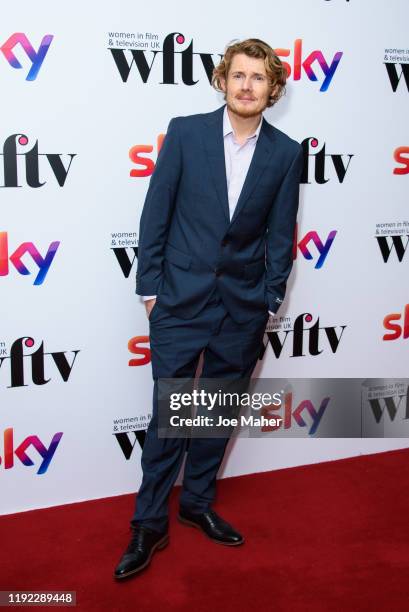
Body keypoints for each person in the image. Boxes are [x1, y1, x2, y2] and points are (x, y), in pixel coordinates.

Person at [114, 38, 303, 580]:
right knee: (171, 419)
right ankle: (148, 523)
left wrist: (269, 299)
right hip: (178, 302)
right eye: (238, 75)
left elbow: (278, 234)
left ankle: (196, 502)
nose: (247, 86)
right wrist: (151, 291)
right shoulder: (186, 132)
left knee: (216, 414)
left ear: (273, 88)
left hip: (242, 307)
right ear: (222, 80)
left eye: (258, 78)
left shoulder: (287, 151)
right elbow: (156, 215)